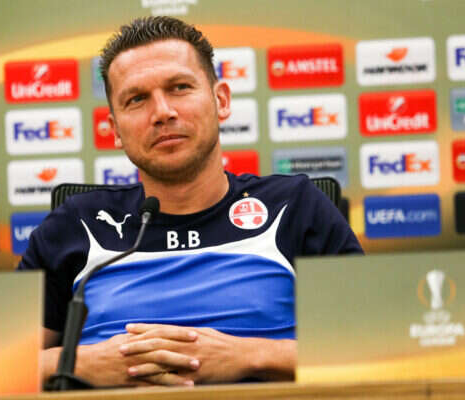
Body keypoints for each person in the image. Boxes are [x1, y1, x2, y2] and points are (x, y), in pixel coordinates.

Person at [18, 16, 363, 388]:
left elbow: (377, 349)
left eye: (180, 87)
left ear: (221, 100)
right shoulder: (77, 223)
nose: (162, 112)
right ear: (115, 129)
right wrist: (76, 362)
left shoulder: (294, 206)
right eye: (137, 99)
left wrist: (250, 355)